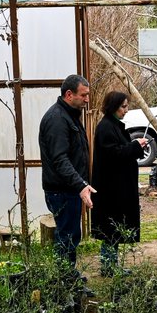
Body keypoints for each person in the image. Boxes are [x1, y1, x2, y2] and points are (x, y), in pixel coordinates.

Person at [39, 74, 95, 268]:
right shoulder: (57, 120)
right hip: (61, 190)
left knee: (70, 235)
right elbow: (60, 159)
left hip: (68, 188)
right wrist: (80, 184)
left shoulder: (69, 115)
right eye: (84, 95)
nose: (87, 99)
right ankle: (62, 283)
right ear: (69, 94)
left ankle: (68, 277)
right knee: (66, 237)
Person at [91, 91, 149, 275]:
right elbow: (114, 154)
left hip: (115, 188)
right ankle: (108, 267)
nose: (126, 109)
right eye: (123, 106)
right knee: (110, 229)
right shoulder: (106, 127)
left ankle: (111, 266)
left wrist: (135, 146)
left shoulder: (112, 125)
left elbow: (120, 150)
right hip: (111, 190)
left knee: (113, 229)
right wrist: (135, 146)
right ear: (114, 106)